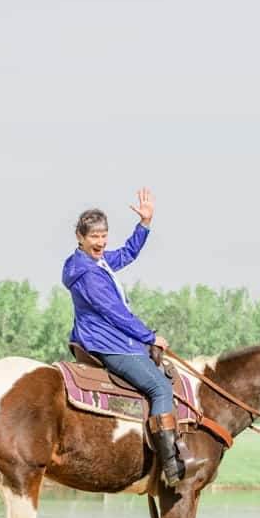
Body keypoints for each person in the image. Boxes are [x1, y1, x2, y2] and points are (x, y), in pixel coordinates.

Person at [62, 188, 184, 487]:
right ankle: (171, 468)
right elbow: (115, 312)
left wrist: (144, 224)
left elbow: (127, 254)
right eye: (94, 237)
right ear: (80, 237)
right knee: (159, 388)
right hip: (108, 343)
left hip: (111, 338)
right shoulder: (88, 273)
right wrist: (150, 336)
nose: (101, 242)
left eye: (104, 236)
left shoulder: (96, 263)